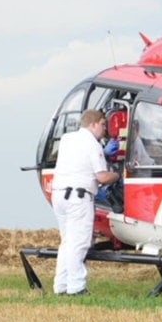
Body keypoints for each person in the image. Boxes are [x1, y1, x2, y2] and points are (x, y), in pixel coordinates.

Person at [51, 109, 120, 296]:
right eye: (103, 124)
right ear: (93, 124)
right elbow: (102, 177)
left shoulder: (67, 139)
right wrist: (118, 174)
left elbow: (78, 163)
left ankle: (61, 286)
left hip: (59, 195)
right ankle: (77, 287)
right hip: (78, 198)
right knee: (79, 243)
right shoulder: (93, 145)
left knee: (66, 242)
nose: (105, 130)